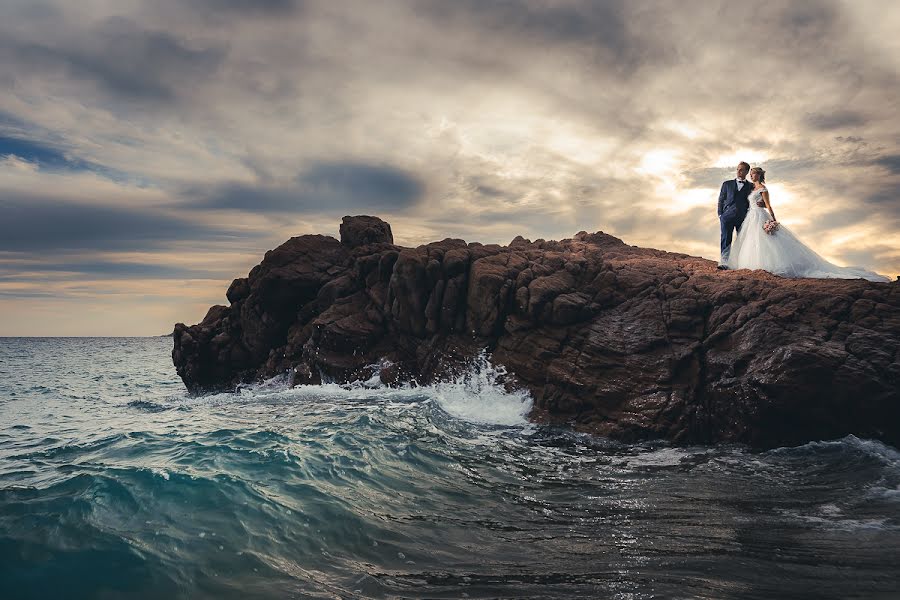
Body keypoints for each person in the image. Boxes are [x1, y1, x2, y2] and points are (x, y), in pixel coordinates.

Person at [725, 167, 890, 281]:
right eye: (751, 174)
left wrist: (773, 220)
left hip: (760, 216)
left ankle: (766, 266)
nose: (751, 176)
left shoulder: (763, 189)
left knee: (765, 241)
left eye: (753, 174)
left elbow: (768, 205)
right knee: (752, 241)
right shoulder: (751, 189)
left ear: (759, 176)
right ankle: (750, 265)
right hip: (751, 216)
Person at [717, 161, 753, 269]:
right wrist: (720, 214)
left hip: (743, 217)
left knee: (742, 240)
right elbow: (721, 199)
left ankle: (740, 263)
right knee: (725, 238)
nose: (739, 171)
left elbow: (755, 200)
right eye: (738, 169)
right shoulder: (726, 184)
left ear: (746, 171)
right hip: (727, 216)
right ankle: (724, 262)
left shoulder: (751, 186)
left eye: (741, 169)